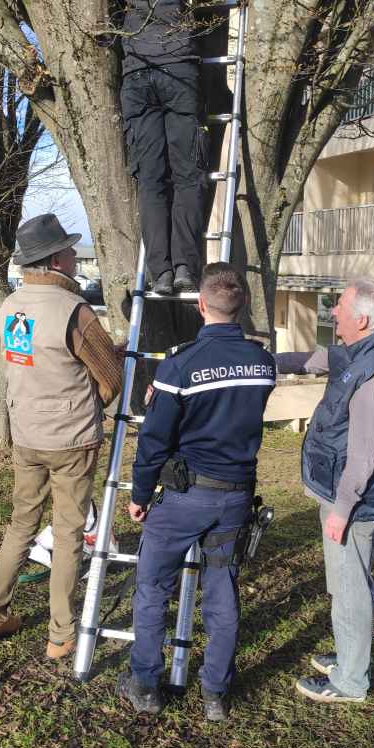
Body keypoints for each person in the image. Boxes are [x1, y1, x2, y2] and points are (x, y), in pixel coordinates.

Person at [116, 262, 276, 721]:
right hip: (236, 497)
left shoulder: (180, 365)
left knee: (152, 587)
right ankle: (215, 694)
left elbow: (154, 441)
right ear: (241, 305)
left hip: (185, 499)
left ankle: (145, 683)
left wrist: (140, 494)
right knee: (222, 588)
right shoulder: (262, 363)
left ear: (202, 305)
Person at [0, 214, 123, 659]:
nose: (75, 258)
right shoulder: (73, 311)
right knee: (67, 533)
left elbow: (32, 362)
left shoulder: (8, 308)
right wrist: (92, 400)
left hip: (27, 434)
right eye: (69, 250)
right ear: (55, 259)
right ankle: (61, 634)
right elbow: (112, 378)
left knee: (22, 524)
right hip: (72, 441)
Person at [275, 279, 374, 703]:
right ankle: (347, 657)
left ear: (362, 320)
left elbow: (365, 453)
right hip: (336, 491)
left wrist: (343, 509)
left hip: (351, 502)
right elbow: (312, 359)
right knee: (342, 583)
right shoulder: (359, 353)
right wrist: (258, 360)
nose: (333, 312)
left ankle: (350, 681)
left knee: (351, 590)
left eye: (340, 307)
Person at [121, 0, 224, 295]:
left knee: (151, 181)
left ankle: (159, 273)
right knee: (187, 175)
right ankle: (184, 267)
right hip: (177, 67)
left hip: (135, 72)